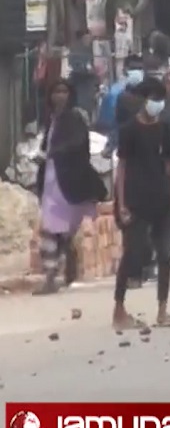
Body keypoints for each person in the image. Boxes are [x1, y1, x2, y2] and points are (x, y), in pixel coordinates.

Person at [113, 76, 170, 330]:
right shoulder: (129, 130)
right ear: (144, 101)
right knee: (134, 252)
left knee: (165, 253)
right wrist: (121, 202)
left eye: (160, 99)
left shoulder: (165, 128)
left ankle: (162, 310)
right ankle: (119, 309)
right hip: (136, 198)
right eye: (154, 99)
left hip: (163, 197)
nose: (158, 104)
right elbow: (121, 167)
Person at [32, 80, 106, 295]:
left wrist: (53, 154)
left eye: (64, 91)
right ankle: (54, 273)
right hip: (52, 178)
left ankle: (54, 274)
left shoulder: (75, 117)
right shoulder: (52, 119)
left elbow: (77, 144)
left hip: (69, 179)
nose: (60, 96)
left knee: (57, 228)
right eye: (56, 91)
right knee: (52, 228)